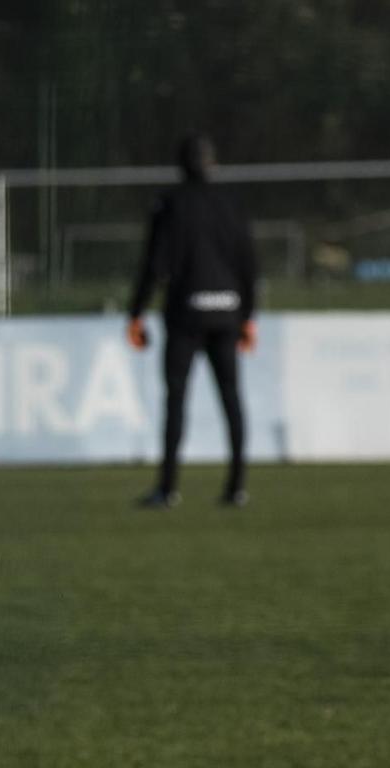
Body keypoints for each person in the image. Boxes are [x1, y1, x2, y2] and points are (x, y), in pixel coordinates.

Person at [126, 133, 257, 509]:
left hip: (186, 314)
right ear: (212, 163)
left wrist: (136, 312)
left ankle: (167, 488)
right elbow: (248, 263)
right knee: (231, 399)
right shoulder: (232, 203)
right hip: (228, 312)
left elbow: (154, 263)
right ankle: (236, 487)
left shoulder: (170, 204)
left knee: (177, 399)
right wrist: (248, 316)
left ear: (180, 165)